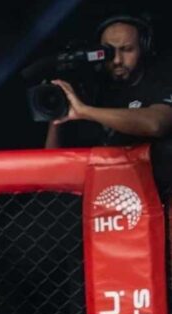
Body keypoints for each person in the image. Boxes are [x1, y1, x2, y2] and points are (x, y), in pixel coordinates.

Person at [45, 13, 172, 198]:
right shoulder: (93, 89)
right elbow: (51, 164)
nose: (117, 60)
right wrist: (57, 110)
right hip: (107, 196)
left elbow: (156, 124)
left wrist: (85, 111)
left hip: (157, 193)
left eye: (127, 49)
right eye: (109, 51)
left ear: (144, 48)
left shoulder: (160, 80)